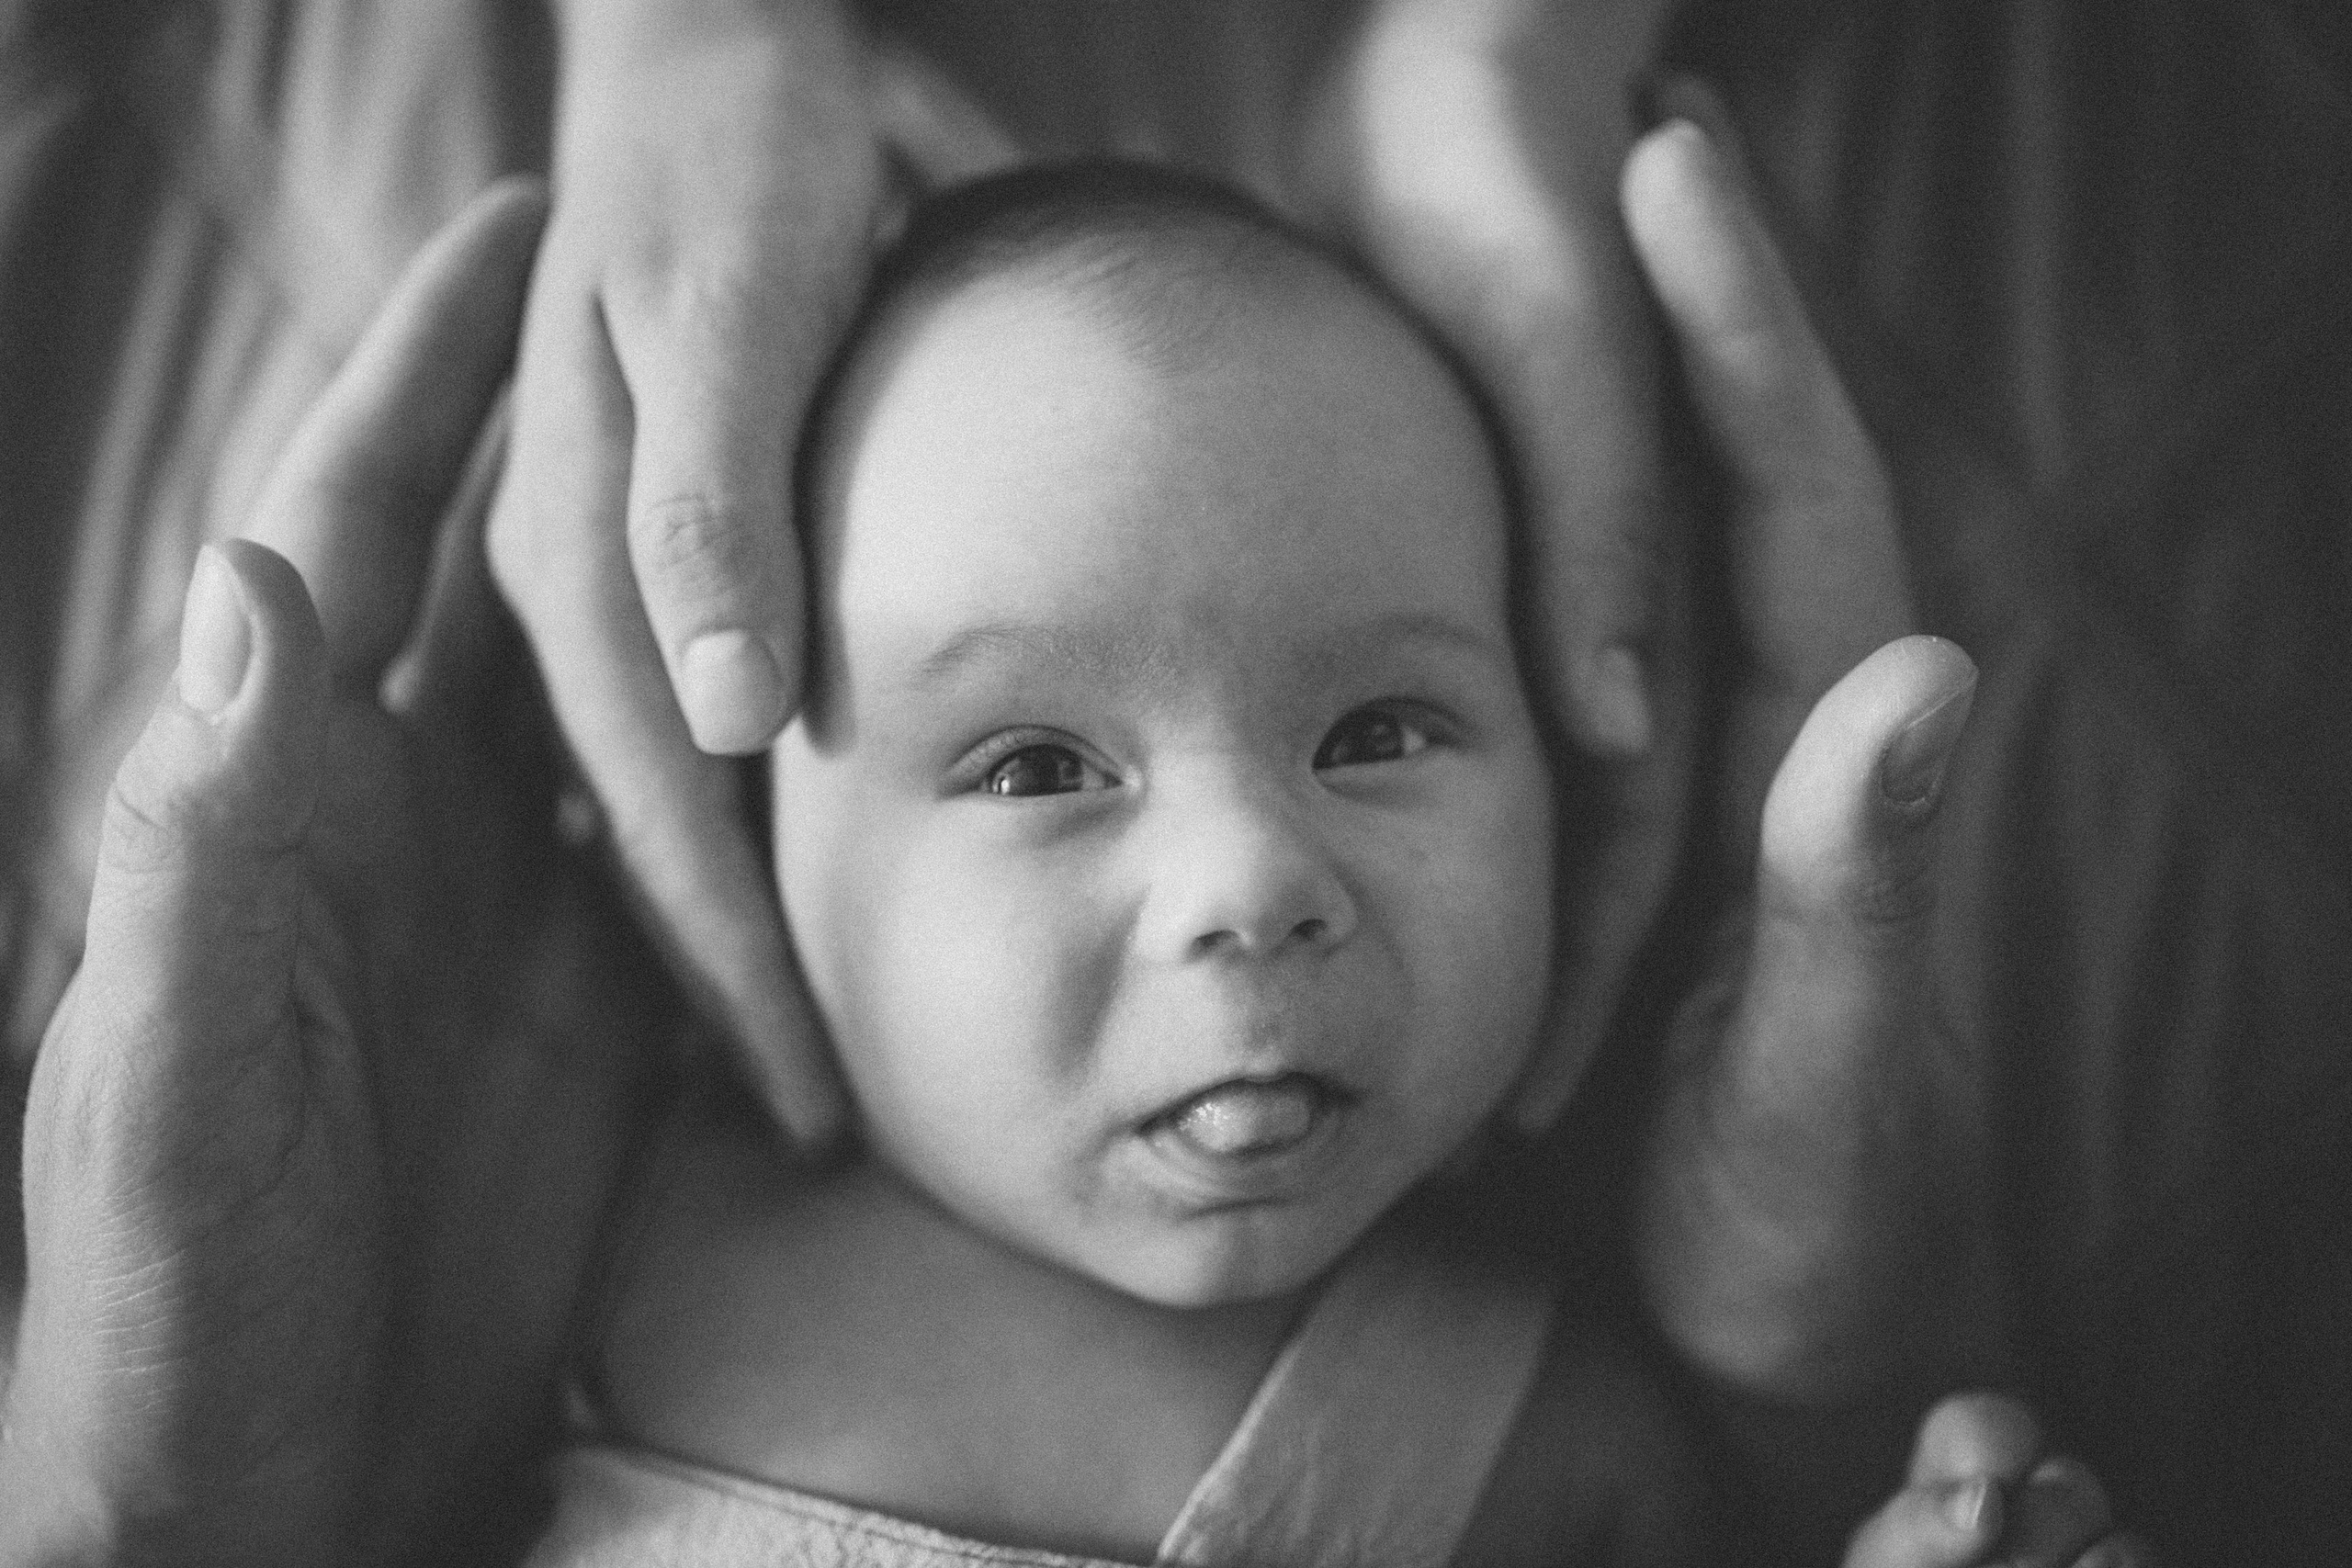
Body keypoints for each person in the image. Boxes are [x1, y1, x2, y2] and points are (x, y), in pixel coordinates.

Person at [2, 156, 2138, 1568]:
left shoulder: (1558, 1415)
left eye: (1381, 729)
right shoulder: (568, 1256)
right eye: (1033, 760)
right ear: (740, 846)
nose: (1245, 879)